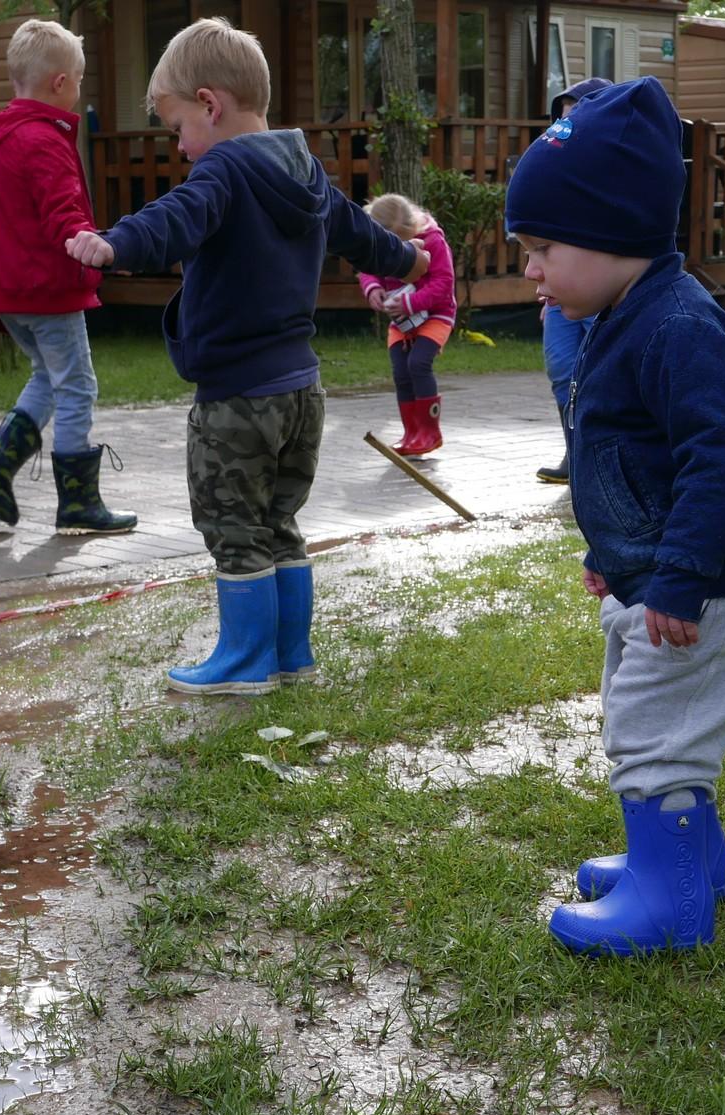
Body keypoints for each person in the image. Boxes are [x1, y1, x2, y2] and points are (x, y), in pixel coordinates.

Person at [505, 77, 725, 957]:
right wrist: (617, 552)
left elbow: (719, 463)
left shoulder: (679, 327)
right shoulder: (627, 315)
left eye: (544, 246)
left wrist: (674, 577)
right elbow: (634, 458)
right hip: (665, 574)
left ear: (615, 228)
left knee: (652, 733)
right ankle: (691, 864)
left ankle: (670, 906)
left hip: (701, 586)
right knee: (662, 724)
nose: (530, 270)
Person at [64, 17, 428, 695]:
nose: (180, 148)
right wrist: (406, 256)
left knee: (235, 528)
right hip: (301, 392)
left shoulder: (223, 168)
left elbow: (175, 217)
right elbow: (358, 229)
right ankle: (292, 654)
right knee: (278, 523)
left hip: (236, 398)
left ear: (211, 104)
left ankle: (243, 661)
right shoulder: (306, 171)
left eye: (177, 128)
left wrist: (115, 242)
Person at [0, 19, 136, 536]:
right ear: (60, 83)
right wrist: (96, 249)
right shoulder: (44, 141)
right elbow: (63, 213)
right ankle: (77, 501)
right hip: (44, 287)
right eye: (78, 81)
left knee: (48, 376)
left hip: (3, 291)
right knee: (78, 384)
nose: (78, 92)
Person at [535, 77, 609, 484]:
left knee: (603, 376)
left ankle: (608, 461)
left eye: (574, 116)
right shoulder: (551, 173)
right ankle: (576, 457)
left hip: (601, 298)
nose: (564, 127)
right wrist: (545, 288)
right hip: (559, 298)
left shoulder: (618, 172)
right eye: (560, 119)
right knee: (563, 371)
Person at [359, 193, 455, 457]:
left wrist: (411, 303)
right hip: (401, 322)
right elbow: (368, 269)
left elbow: (443, 284)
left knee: (418, 364)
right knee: (401, 372)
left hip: (435, 315)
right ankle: (411, 433)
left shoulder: (434, 241)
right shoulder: (376, 242)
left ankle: (429, 432)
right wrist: (373, 288)